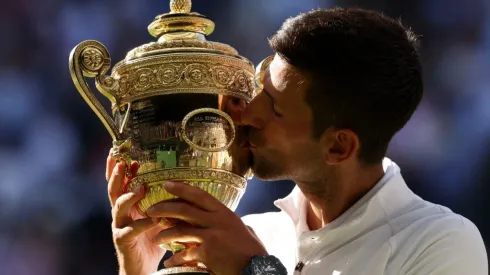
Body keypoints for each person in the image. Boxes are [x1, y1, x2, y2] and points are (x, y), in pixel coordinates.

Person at [105, 7, 488, 275]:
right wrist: (136, 267)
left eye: (273, 108)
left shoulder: (439, 243)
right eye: (258, 88)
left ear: (339, 147)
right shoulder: (252, 233)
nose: (246, 113)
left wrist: (254, 270)